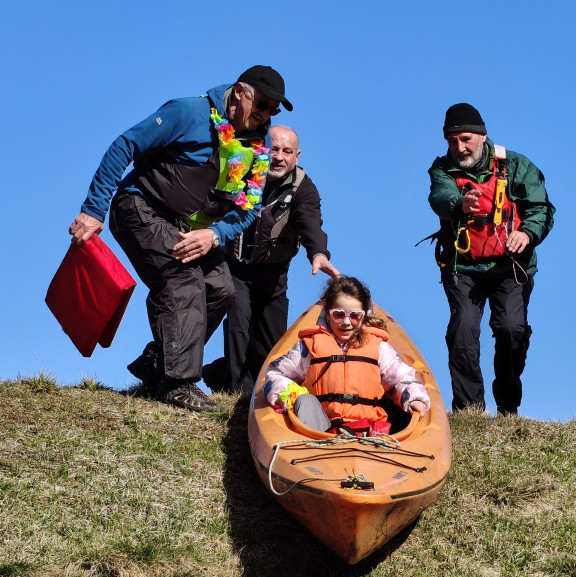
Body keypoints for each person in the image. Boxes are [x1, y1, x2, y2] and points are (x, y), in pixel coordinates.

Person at [69, 66, 293, 412]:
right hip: (139, 208)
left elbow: (249, 208)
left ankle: (158, 362)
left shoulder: (259, 146)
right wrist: (93, 209)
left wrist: (214, 235)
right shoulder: (188, 112)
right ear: (239, 92)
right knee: (183, 278)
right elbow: (125, 144)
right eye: (261, 104)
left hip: (191, 228)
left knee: (222, 289)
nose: (265, 115)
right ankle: (178, 384)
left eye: (272, 110)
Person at [427, 103, 555, 416]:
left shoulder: (516, 165)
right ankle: (469, 409)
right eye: (452, 141)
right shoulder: (442, 168)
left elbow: (541, 208)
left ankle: (507, 405)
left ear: (482, 136)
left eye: (466, 139)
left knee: (512, 329)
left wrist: (527, 233)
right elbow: (440, 197)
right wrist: (460, 203)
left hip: (511, 266)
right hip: (463, 266)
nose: (460, 147)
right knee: (463, 329)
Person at [202, 125, 339, 395]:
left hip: (273, 275)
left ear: (297, 156)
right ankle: (241, 396)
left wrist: (319, 254)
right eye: (274, 149)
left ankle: (218, 373)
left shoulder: (303, 187)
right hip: (234, 267)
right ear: (261, 148)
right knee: (239, 323)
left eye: (287, 151)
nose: (279, 157)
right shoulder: (239, 172)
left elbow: (310, 222)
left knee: (272, 346)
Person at [264, 276, 430, 436]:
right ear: (328, 313)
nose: (346, 322)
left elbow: (401, 377)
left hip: (366, 430)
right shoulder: (309, 346)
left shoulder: (378, 347)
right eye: (338, 315)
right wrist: (286, 393)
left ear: (364, 316)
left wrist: (414, 398)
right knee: (305, 400)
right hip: (319, 430)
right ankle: (312, 444)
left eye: (355, 316)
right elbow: (276, 374)